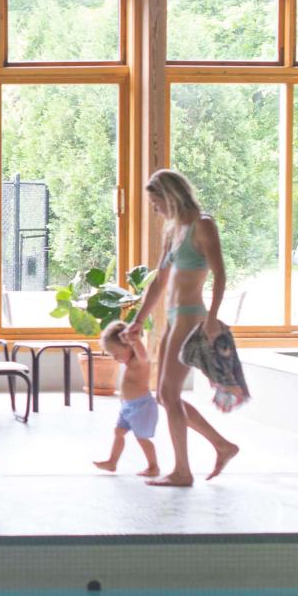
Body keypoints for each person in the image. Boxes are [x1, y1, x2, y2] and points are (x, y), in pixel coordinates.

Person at [126, 169, 240, 487]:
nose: (154, 209)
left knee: (168, 393)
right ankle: (222, 445)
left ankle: (182, 471)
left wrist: (214, 317)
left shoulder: (202, 224)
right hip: (173, 317)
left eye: (155, 202)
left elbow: (220, 274)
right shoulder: (172, 229)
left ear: (170, 195)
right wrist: (137, 321)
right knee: (164, 395)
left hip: (191, 316)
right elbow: (159, 282)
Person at [94, 320, 161, 477]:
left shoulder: (140, 360)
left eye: (117, 354)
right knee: (118, 432)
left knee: (142, 438)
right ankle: (112, 462)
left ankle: (153, 466)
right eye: (113, 355)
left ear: (129, 345)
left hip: (142, 406)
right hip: (128, 406)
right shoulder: (129, 361)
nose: (116, 358)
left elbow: (141, 352)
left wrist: (133, 338)